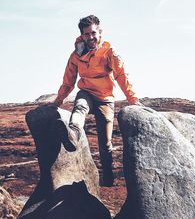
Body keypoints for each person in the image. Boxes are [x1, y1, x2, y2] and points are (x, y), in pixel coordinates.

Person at [54, 15, 141, 186]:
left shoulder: (109, 52)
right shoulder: (76, 55)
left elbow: (121, 75)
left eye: (93, 33)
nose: (91, 37)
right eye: (86, 34)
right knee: (79, 107)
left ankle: (107, 175)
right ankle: (72, 134)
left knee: (105, 143)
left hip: (105, 99)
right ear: (82, 35)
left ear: (100, 32)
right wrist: (58, 100)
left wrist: (133, 99)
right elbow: (68, 81)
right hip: (86, 91)